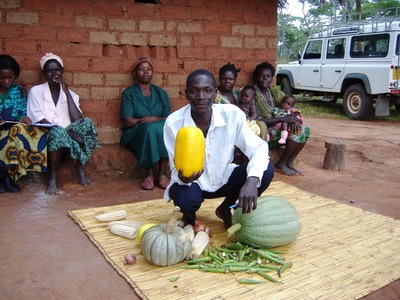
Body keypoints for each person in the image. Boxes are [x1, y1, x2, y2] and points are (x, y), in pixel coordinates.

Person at [163, 69, 274, 229]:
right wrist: (183, 178)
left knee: (265, 172)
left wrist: (251, 180)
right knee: (185, 198)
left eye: (207, 91)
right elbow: (175, 168)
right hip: (193, 183)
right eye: (194, 91)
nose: (201, 97)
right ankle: (190, 219)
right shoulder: (174, 123)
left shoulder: (232, 115)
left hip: (224, 177)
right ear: (186, 94)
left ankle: (227, 208)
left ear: (215, 94)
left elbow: (258, 147)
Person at [27, 53, 100, 195]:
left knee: (87, 123)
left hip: (68, 131)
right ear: (44, 74)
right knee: (58, 132)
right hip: (46, 132)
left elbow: (77, 119)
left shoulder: (70, 94)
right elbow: (39, 118)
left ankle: (79, 165)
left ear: (62, 71)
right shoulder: (36, 92)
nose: (54, 73)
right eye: (49, 71)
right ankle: (52, 177)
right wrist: (66, 132)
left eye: (57, 70)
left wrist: (66, 93)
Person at [120, 57, 171, 190]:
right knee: (149, 129)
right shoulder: (129, 93)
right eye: (141, 69)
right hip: (135, 132)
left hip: (158, 128)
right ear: (135, 73)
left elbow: (169, 118)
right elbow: (128, 120)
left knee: (164, 129)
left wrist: (154, 119)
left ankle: (162, 174)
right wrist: (144, 121)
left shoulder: (161, 93)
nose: (145, 72)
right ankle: (149, 173)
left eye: (149, 69)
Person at [0, 54, 48, 193]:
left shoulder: (19, 91)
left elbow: (22, 111)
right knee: (8, 138)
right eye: (2, 78)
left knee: (27, 133)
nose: (7, 81)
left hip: (12, 128)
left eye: (10, 77)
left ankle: (7, 176)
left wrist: (24, 118)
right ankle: (4, 176)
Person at [253, 61, 310, 176]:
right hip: (264, 131)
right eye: (261, 75)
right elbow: (258, 121)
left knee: (304, 129)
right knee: (296, 133)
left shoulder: (276, 94)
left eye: (268, 76)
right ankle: (280, 164)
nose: (264, 78)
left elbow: (290, 107)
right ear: (256, 77)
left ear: (272, 78)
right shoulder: (252, 95)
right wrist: (284, 120)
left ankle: (289, 162)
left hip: (278, 128)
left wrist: (293, 120)